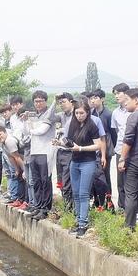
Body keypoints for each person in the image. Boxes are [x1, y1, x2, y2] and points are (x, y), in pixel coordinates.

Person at [53, 99, 101, 239]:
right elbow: (67, 141)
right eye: (77, 113)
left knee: (84, 193)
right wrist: (59, 143)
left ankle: (83, 224)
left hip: (88, 162)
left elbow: (98, 145)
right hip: (75, 161)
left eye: (81, 113)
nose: (79, 115)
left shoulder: (92, 125)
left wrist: (80, 148)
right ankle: (79, 221)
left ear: (87, 113)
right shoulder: (72, 124)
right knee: (76, 194)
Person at [22, 91, 58, 221]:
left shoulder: (49, 115)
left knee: (45, 181)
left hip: (46, 151)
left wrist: (31, 129)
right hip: (34, 151)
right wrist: (25, 122)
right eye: (36, 101)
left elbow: (41, 131)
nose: (38, 103)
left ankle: (45, 208)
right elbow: (27, 133)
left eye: (41, 101)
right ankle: (37, 206)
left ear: (46, 101)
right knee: (36, 181)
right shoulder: (32, 116)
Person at [117, 88, 138, 231]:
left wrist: (122, 159)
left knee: (131, 193)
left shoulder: (134, 117)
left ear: (136, 100)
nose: (125, 103)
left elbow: (128, 139)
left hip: (134, 161)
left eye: (127, 100)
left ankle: (129, 226)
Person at [90, 88, 116, 194]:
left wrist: (110, 149)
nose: (93, 100)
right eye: (91, 98)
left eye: (95, 97)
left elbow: (113, 134)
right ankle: (97, 201)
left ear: (102, 99)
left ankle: (108, 201)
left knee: (105, 176)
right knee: (94, 176)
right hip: (93, 149)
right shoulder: (91, 114)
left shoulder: (108, 114)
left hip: (106, 149)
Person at [0, 127, 27, 207]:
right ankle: (20, 199)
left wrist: (25, 171)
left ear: (5, 133)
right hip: (19, 161)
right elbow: (11, 158)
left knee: (26, 180)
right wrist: (17, 170)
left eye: (0, 134)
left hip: (26, 160)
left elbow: (17, 157)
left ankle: (26, 201)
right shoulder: (3, 144)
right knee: (19, 178)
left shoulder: (9, 141)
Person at [111, 83, 131, 211]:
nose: (116, 96)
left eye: (119, 93)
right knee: (121, 181)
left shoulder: (135, 110)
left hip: (134, 151)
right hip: (120, 150)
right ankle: (123, 208)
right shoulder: (115, 113)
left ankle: (137, 211)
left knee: (134, 182)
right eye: (115, 94)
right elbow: (117, 131)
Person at [54, 92, 76, 208]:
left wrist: (62, 129)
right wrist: (54, 102)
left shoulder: (76, 114)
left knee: (68, 182)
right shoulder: (61, 115)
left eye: (64, 102)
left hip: (70, 152)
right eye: (60, 103)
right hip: (60, 151)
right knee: (61, 180)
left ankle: (69, 208)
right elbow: (49, 117)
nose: (62, 105)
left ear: (71, 102)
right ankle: (66, 206)